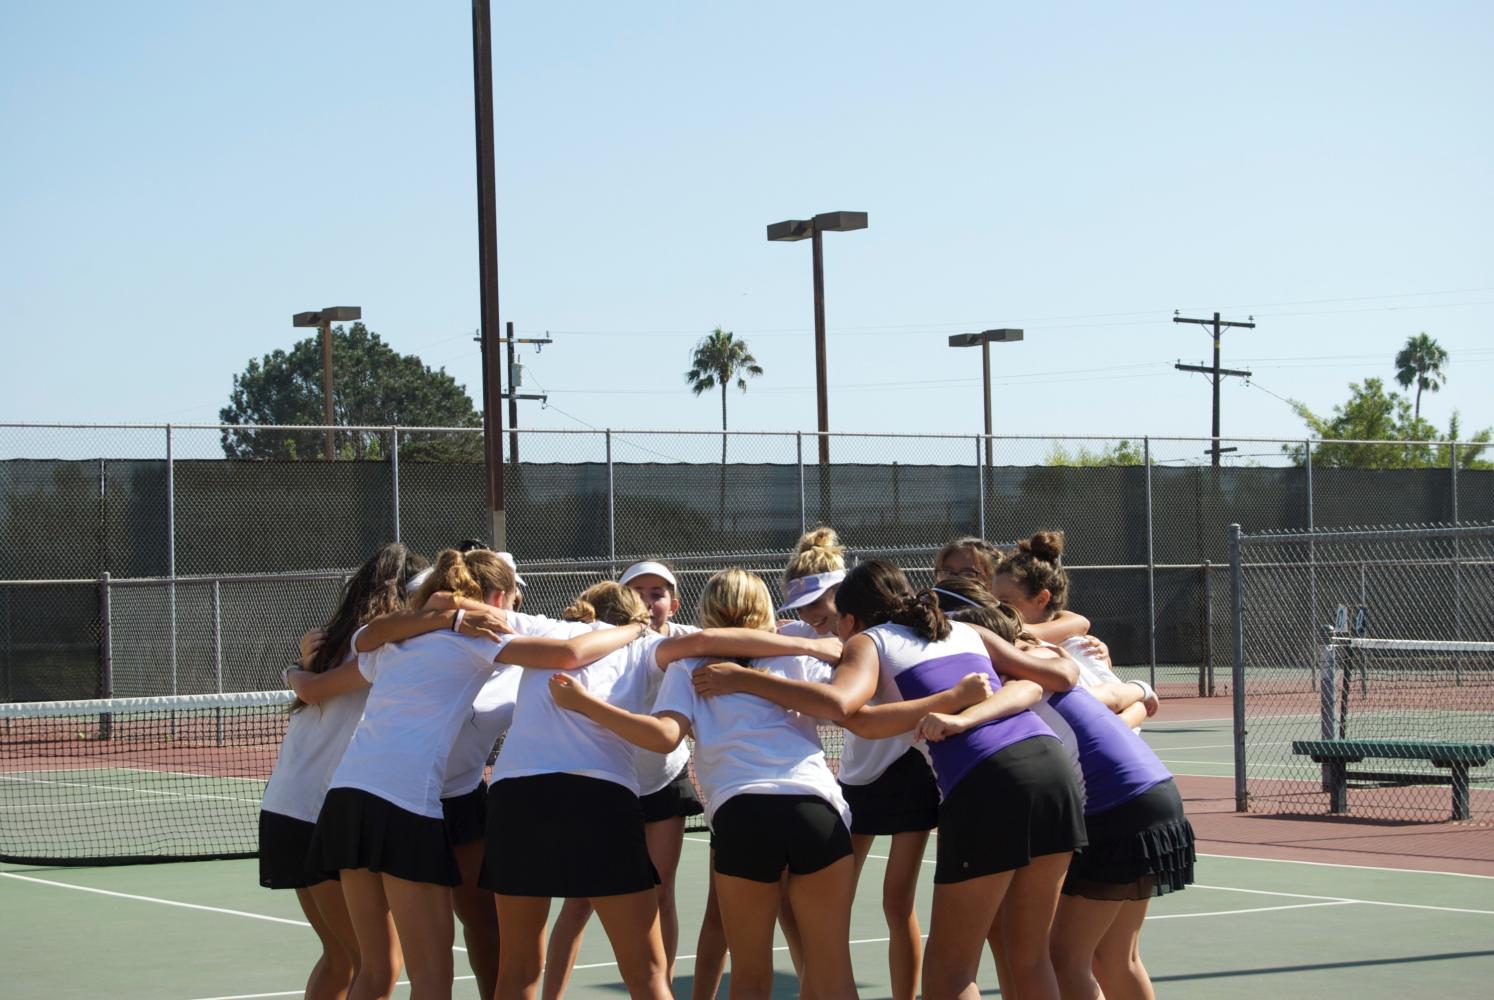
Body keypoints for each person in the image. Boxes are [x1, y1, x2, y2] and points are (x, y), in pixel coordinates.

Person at [550, 568, 993, 1000]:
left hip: (744, 815)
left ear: (707, 610)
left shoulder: (689, 666)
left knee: (750, 979)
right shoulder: (798, 653)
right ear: (764, 610)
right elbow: (845, 709)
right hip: (816, 809)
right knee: (834, 976)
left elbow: (666, 735)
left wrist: (585, 705)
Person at [684, 560, 1086, 1000]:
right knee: (1030, 956)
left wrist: (745, 679)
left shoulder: (868, 642)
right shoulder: (963, 630)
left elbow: (841, 705)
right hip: (1053, 769)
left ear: (852, 619)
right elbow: (1051, 678)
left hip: (987, 779)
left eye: (837, 619)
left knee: (949, 974)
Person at [300, 549, 648, 1000]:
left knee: (373, 969)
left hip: (346, 800)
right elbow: (569, 653)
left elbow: (366, 637)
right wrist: (633, 629)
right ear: (499, 596)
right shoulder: (479, 636)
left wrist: (438, 618)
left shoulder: (396, 640)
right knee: (431, 979)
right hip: (403, 803)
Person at [483, 579, 840, 1000]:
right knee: (649, 973)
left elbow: (463, 614)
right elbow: (706, 642)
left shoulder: (545, 629)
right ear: (635, 617)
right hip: (598, 795)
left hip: (515, 795)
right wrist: (814, 646)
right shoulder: (645, 646)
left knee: (518, 970)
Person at [940, 599, 1195, 1000]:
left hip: (1117, 809)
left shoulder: (1016, 687)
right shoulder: (1046, 665)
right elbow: (1111, 705)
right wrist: (1142, 692)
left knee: (1064, 957)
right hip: (1156, 794)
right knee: (1116, 956)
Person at [259, 542, 436, 1000]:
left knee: (342, 958)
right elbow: (316, 689)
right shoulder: (385, 646)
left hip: (284, 810)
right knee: (377, 964)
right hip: (322, 815)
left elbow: (309, 686)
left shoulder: (328, 641)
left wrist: (296, 668)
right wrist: (299, 672)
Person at [780, 528, 939, 1000]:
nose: (810, 616)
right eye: (802, 608)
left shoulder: (883, 636)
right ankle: (821, 985)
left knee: (897, 901)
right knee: (816, 902)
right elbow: (740, 633)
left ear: (844, 597)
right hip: (854, 777)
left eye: (818, 604)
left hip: (908, 769)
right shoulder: (799, 637)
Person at [541, 561, 704, 1000]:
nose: (649, 602)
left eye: (658, 592)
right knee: (580, 902)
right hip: (606, 785)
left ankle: (659, 988)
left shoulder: (685, 644)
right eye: (639, 591)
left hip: (662, 782)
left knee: (660, 893)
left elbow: (737, 638)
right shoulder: (598, 642)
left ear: (674, 602)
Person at [991, 531, 1159, 728]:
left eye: (1005, 601)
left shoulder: (1079, 647)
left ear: (1041, 599)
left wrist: (1140, 691)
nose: (997, 609)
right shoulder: (1014, 642)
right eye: (994, 601)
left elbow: (1117, 704)